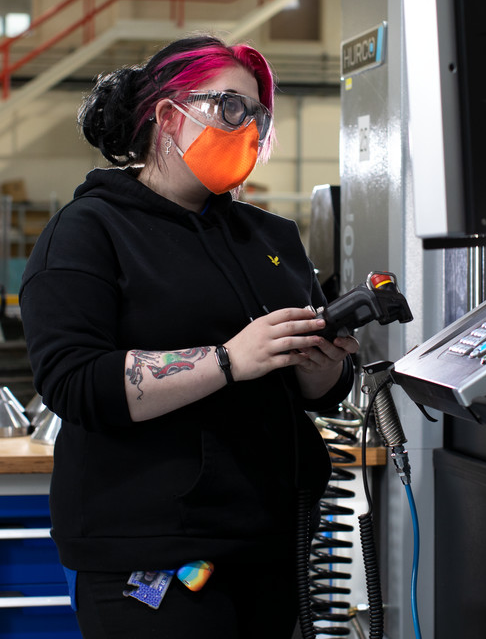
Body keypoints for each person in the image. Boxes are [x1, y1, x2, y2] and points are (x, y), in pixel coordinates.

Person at [19, 34, 358, 638]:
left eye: (258, 114)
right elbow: (74, 382)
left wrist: (318, 361)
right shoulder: (88, 230)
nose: (248, 127)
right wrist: (229, 359)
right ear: (169, 116)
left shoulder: (269, 238)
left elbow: (317, 393)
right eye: (229, 107)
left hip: (267, 540)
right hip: (148, 551)